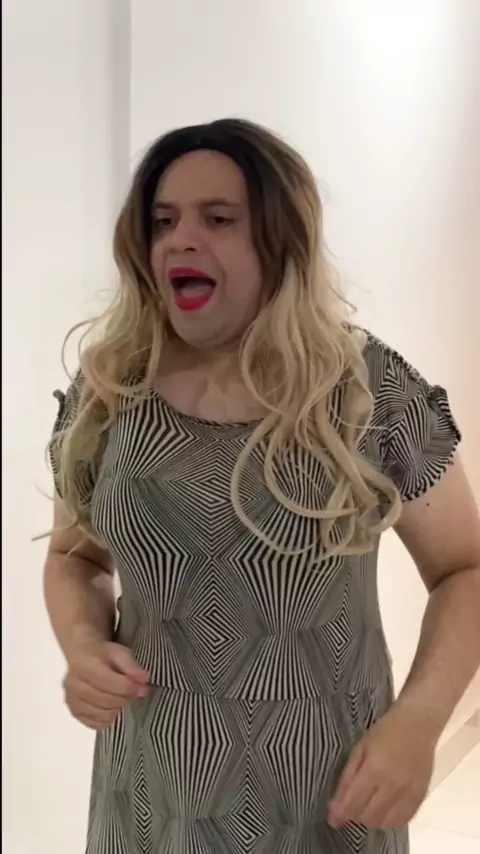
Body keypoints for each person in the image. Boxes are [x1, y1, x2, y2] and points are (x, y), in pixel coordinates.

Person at [43, 118, 480, 854]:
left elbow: (465, 570)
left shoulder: (366, 390)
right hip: (152, 784)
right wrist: (82, 643)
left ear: (281, 239)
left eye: (218, 219)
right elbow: (74, 557)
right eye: (163, 221)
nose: (180, 240)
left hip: (326, 784)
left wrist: (419, 722)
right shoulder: (111, 388)